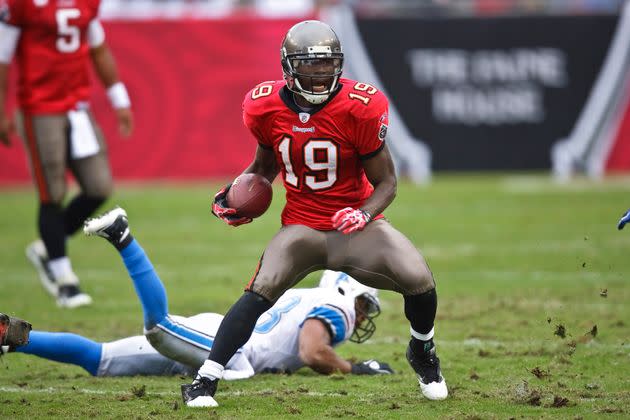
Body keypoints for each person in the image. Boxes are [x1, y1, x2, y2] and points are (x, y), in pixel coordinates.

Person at [181, 20, 448, 408]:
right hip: (302, 227)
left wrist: (364, 213)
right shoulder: (264, 106)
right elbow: (263, 166)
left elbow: (387, 182)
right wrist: (236, 194)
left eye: (327, 64)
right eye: (311, 65)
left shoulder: (360, 107)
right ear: (289, 68)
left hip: (355, 227)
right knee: (259, 291)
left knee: (419, 279)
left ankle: (422, 351)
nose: (321, 74)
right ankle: (205, 379)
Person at [2, 207, 393, 379]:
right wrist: (353, 367)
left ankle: (12, 337)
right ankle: (123, 237)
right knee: (158, 328)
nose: (360, 316)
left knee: (97, 360)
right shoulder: (337, 306)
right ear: (348, 291)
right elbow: (312, 351)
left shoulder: (310, 296)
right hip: (231, 353)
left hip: (215, 337)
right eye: (363, 305)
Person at [0, 0, 134, 308]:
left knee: (99, 187)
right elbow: (3, 57)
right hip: (40, 107)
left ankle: (47, 248)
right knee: (53, 192)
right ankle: (65, 282)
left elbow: (97, 47)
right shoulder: (20, 5)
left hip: (77, 105)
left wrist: (119, 98)